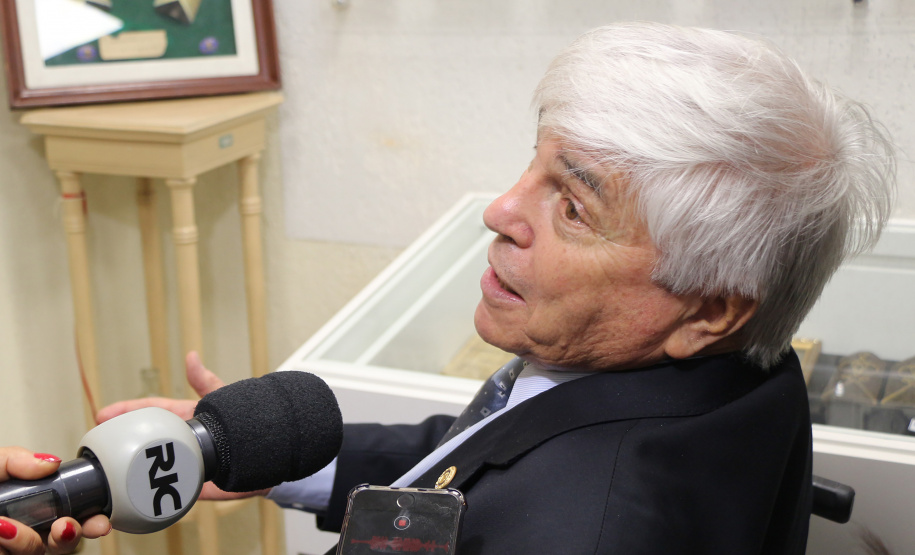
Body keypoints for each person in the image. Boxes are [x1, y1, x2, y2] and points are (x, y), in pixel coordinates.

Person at [1, 21, 896, 554]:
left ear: (707, 308)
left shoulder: (586, 531)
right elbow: (500, 447)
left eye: (573, 206)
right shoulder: (742, 372)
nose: (502, 209)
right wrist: (271, 455)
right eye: (532, 168)